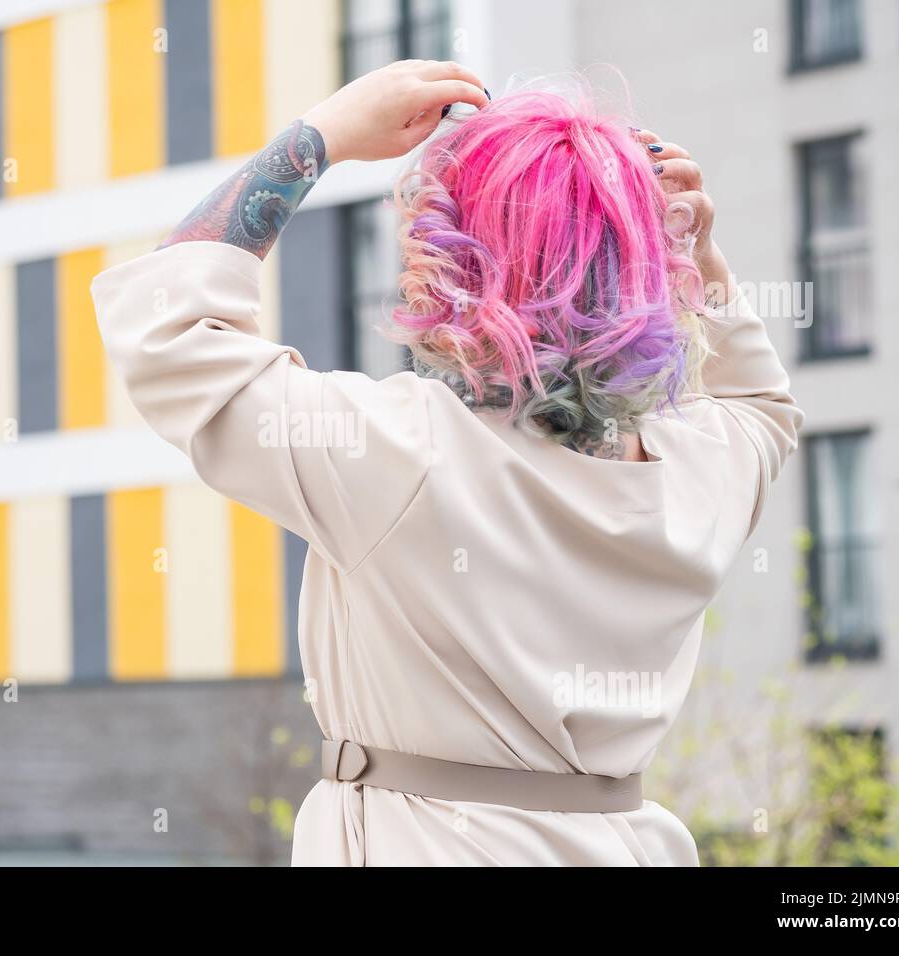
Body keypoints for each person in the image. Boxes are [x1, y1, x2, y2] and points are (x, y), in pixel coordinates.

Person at [90, 60, 802, 866]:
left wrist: (316, 137)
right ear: (648, 269)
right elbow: (761, 408)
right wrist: (699, 257)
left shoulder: (401, 452)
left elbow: (164, 328)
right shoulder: (698, 471)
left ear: (455, 262)